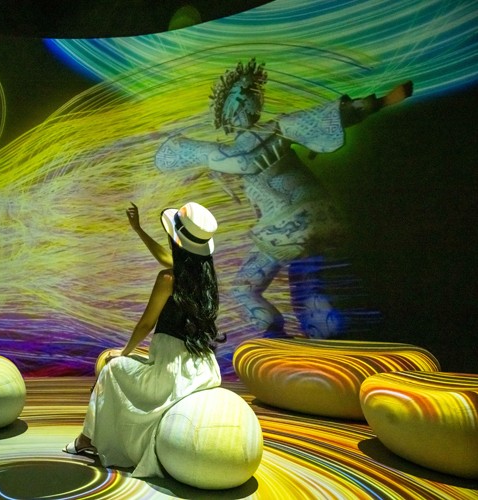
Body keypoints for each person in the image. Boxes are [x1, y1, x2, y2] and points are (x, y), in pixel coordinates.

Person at [154, 58, 413, 338]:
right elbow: (334, 115)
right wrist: (382, 102)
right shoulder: (280, 128)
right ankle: (328, 337)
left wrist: (186, 151)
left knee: (243, 288)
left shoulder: (232, 152)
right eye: (243, 95)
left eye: (249, 94)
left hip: (285, 227)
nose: (248, 100)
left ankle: (275, 338)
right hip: (323, 217)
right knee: (308, 281)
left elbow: (235, 160)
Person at [63, 201, 225, 478]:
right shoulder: (204, 276)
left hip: (171, 372)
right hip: (201, 367)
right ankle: (90, 438)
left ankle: (86, 439)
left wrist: (124, 352)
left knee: (112, 369)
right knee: (121, 368)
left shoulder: (168, 279)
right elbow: (166, 258)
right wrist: (138, 229)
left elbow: (147, 324)